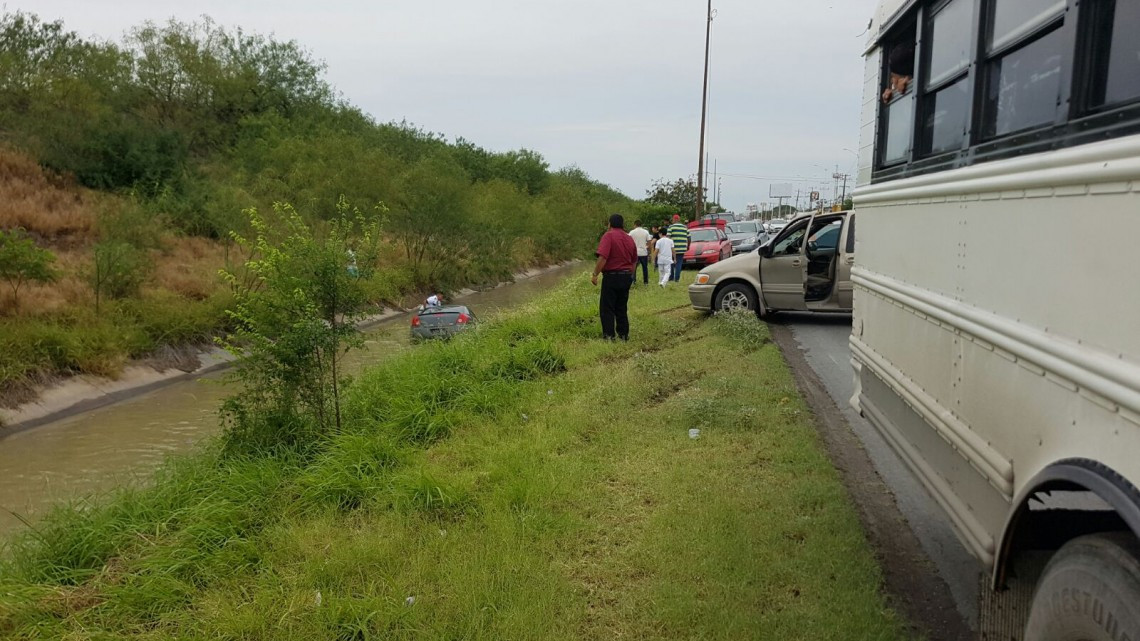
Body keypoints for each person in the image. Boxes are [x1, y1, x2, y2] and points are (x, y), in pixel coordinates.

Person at [592, 213, 637, 341]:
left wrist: (595, 274)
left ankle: (609, 336)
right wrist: (630, 275)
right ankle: (623, 335)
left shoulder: (608, 236)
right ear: (622, 225)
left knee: (607, 307)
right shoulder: (629, 238)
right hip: (626, 276)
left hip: (611, 277)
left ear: (610, 224)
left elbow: (603, 257)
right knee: (621, 307)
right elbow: (634, 260)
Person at [666, 214, 691, 282]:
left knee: (671, 262)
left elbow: (668, 237)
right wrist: (688, 246)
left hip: (672, 249)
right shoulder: (685, 227)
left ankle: (671, 277)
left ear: (674, 219)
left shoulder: (671, 227)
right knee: (679, 263)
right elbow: (689, 237)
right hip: (682, 248)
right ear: (679, 219)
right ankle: (677, 279)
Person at [627, 219, 652, 286]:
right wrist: (649, 251)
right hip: (643, 252)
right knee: (645, 268)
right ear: (641, 225)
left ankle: (633, 281)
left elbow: (628, 241)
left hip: (635, 253)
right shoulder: (646, 232)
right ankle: (645, 282)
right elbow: (649, 242)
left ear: (635, 225)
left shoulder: (632, 232)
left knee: (633, 267)